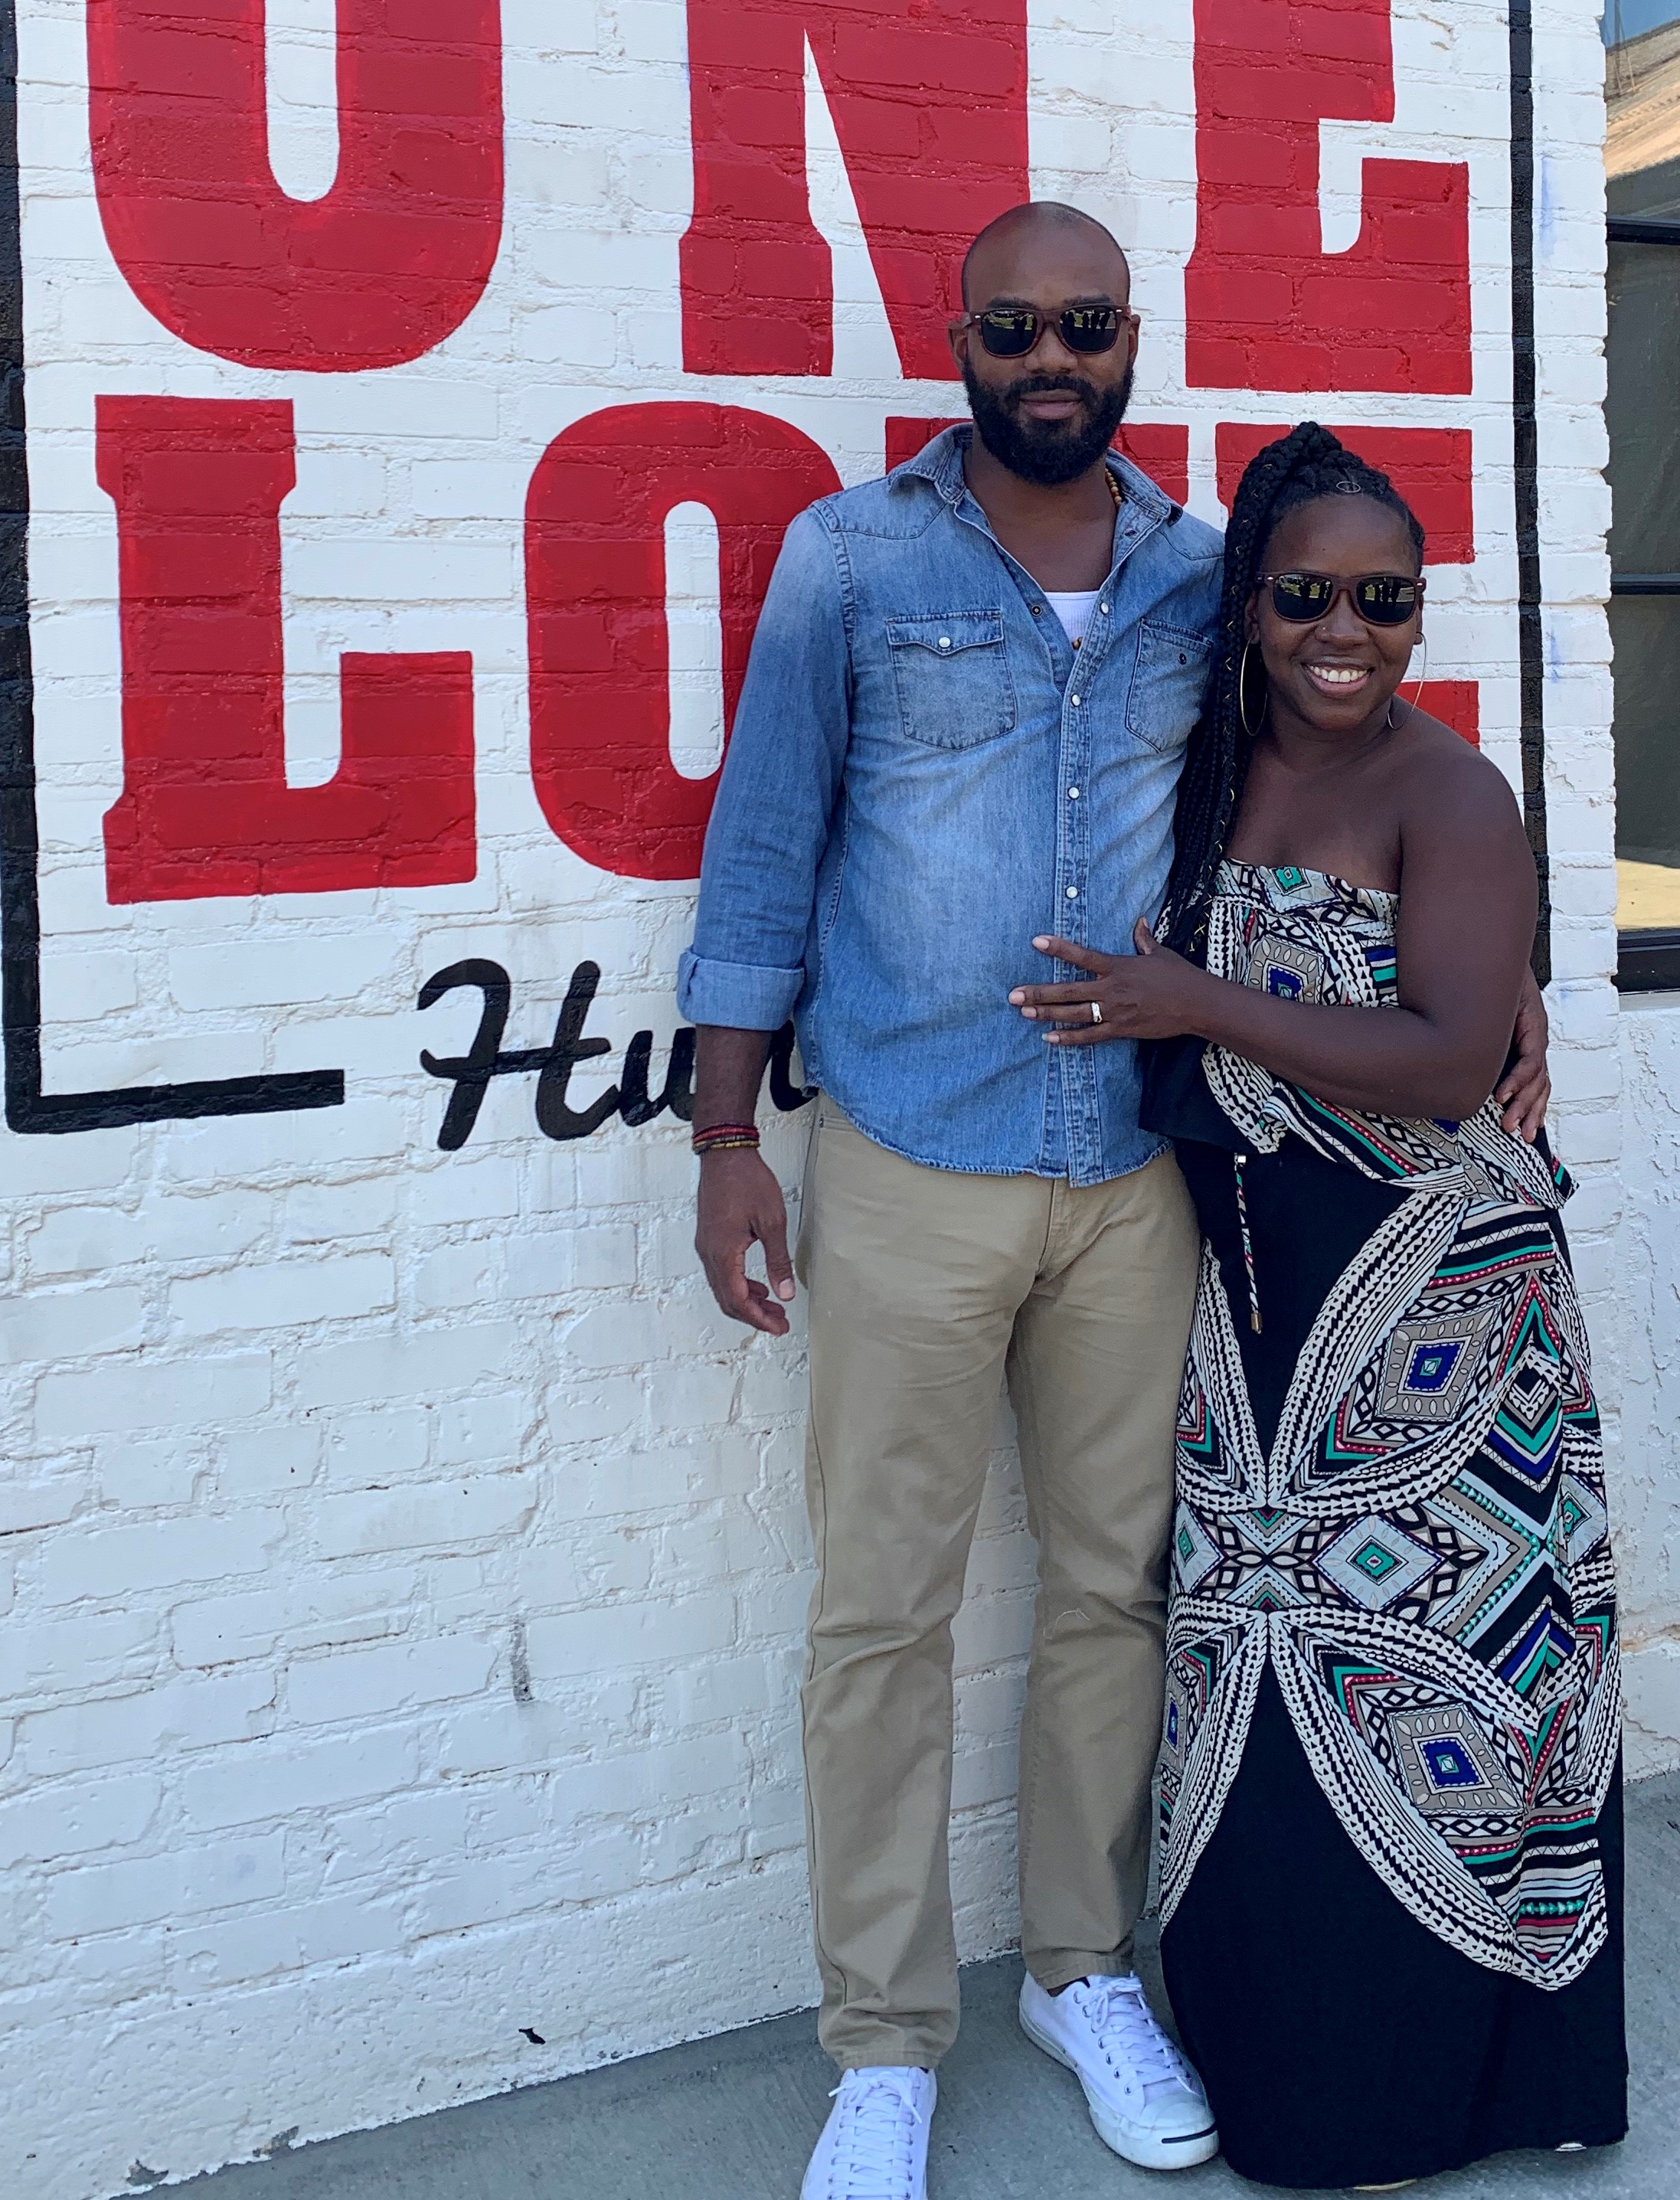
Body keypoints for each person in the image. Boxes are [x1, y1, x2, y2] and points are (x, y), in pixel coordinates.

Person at [678, 211, 1550, 2200]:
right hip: (907, 1157)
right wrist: (729, 1139)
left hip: (1141, 1180)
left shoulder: (1194, 575)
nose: (1049, 355)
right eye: (1014, 327)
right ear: (963, 342)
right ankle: (884, 2049)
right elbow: (765, 842)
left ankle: (1080, 1971)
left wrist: (1512, 991)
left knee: (1115, 1598)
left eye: (1085, 325)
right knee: (881, 1619)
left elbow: (1344, 758)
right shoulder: (854, 557)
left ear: (1131, 340)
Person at [1012, 423, 1625, 2191]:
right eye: (1304, 594)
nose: (1342, 629)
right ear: (1247, 607)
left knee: (1463, 1696)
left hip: (1448, 1327)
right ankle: (1283, 2073)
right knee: (1262, 1689)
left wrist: (1192, 997)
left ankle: (1463, 2085)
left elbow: (1445, 1058)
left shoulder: (1449, 790)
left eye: (1383, 600)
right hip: (1262, 1327)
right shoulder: (1194, 763)